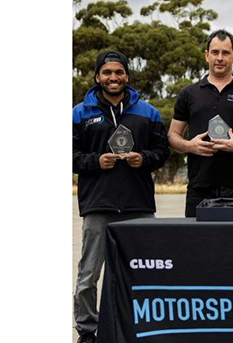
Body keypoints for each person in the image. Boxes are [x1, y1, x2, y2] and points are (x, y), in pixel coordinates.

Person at [72, 50, 170, 343]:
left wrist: (145, 158)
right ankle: (88, 332)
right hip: (98, 205)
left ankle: (145, 326)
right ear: (97, 76)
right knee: (89, 275)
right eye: (107, 72)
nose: (113, 78)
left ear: (127, 75)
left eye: (118, 72)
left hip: (138, 205)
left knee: (146, 271)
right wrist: (94, 161)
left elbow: (163, 151)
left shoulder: (147, 112)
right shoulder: (79, 113)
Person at [168, 29, 233, 217]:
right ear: (207, 55)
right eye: (215, 52)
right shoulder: (188, 94)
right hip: (199, 188)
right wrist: (190, 146)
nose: (220, 58)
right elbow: (173, 136)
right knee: (197, 245)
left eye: (226, 53)